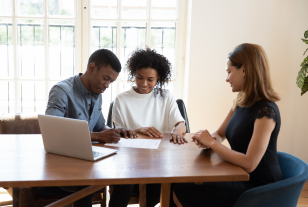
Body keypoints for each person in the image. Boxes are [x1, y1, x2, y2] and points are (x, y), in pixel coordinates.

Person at [173, 43, 284, 207]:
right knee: (180, 182)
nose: (227, 78)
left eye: (229, 72)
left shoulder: (266, 112)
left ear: (244, 70)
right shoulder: (241, 100)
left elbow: (249, 164)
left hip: (258, 187)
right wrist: (209, 139)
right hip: (238, 175)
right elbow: (220, 133)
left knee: (182, 187)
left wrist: (211, 143)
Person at [37, 49, 137, 207]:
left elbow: (99, 126)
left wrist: (115, 131)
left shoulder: (98, 92)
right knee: (87, 183)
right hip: (63, 163)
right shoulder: (62, 91)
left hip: (87, 160)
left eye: (111, 82)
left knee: (126, 181)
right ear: (91, 68)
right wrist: (98, 137)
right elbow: (52, 131)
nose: (107, 85)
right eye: (106, 79)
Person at [109, 47, 186, 207]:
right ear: (133, 74)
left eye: (150, 79)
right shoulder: (121, 100)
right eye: (139, 77)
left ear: (158, 78)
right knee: (124, 184)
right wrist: (138, 130)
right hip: (129, 160)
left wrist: (178, 130)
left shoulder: (166, 97)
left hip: (159, 159)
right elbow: (118, 134)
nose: (144, 83)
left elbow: (180, 123)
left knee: (159, 183)